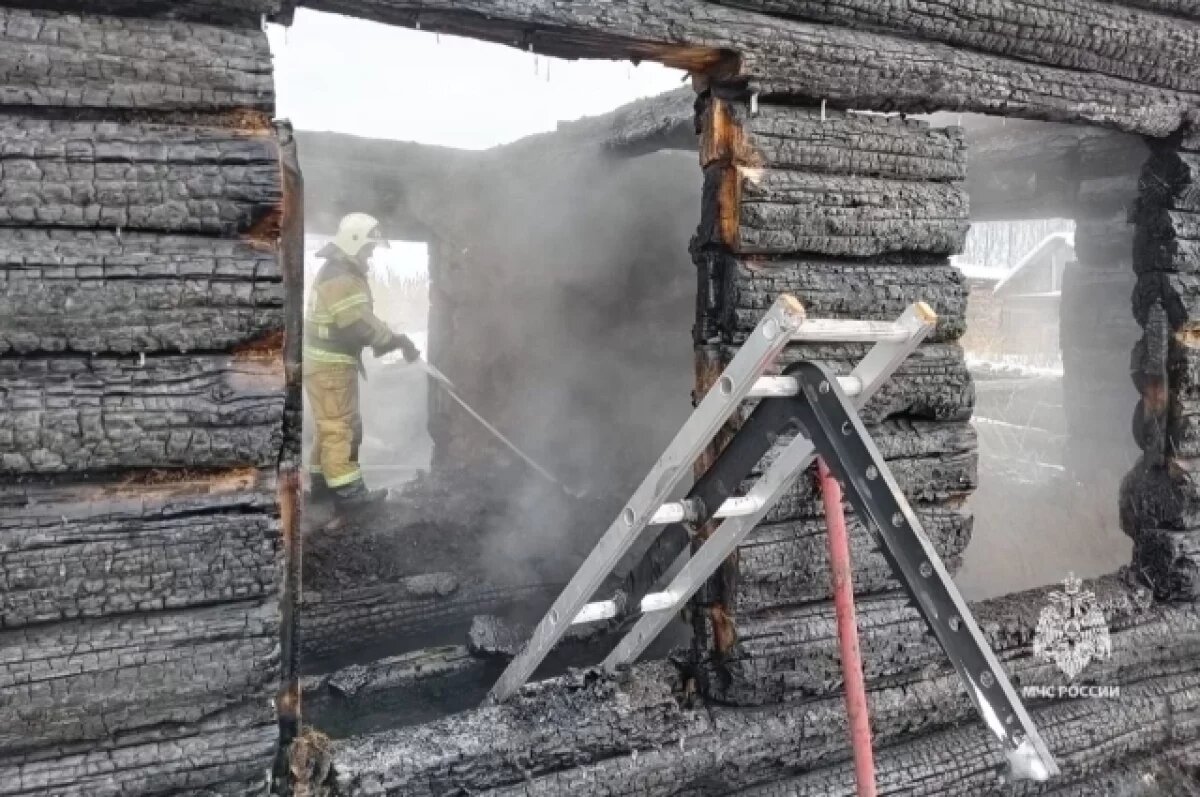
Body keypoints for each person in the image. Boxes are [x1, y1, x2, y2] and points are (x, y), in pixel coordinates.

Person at [304, 212, 420, 511]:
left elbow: (359, 318)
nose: (370, 255)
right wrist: (394, 340)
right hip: (330, 366)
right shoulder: (341, 277)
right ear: (354, 242)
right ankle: (349, 495)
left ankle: (321, 487)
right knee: (340, 428)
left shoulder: (339, 271)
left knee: (331, 426)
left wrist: (392, 338)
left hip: (328, 364)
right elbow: (358, 322)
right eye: (369, 248)